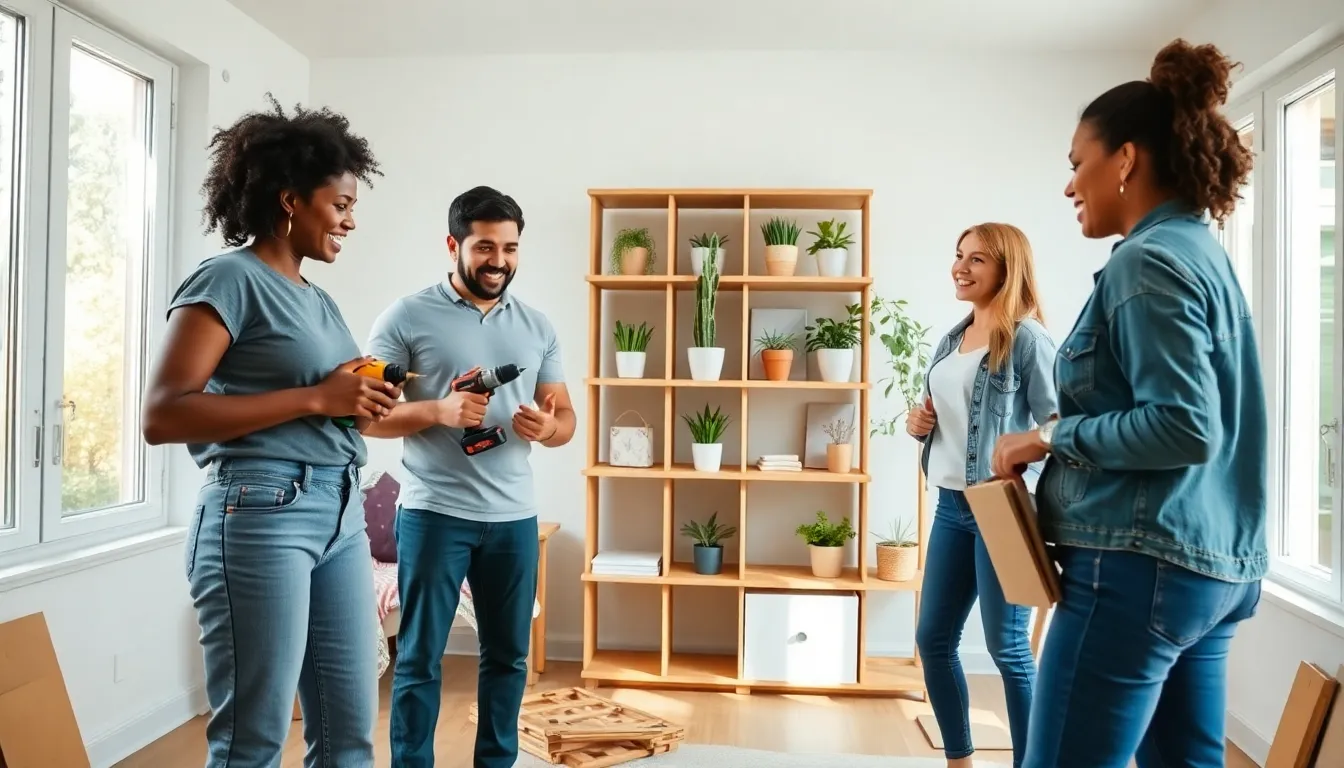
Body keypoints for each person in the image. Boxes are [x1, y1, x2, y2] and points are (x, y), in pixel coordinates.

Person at [990, 39, 1264, 768]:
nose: (1070, 185)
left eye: (1077, 163)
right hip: (1210, 569)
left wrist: (1046, 437)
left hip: (1138, 567)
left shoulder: (1147, 262)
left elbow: (1183, 424)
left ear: (1126, 160)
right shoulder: (1201, 254)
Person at [141, 94, 396, 767]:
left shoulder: (320, 299)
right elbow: (163, 413)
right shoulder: (229, 278)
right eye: (340, 204)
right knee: (253, 743)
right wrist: (317, 395)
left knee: (348, 739)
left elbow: (313, 400)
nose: (350, 220)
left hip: (339, 513)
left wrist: (354, 398)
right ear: (290, 199)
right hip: (260, 513)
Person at [363, 185, 575, 768]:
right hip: (434, 514)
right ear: (453, 244)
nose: (499, 261)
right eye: (485, 247)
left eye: (509, 248)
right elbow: (364, 418)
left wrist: (546, 427)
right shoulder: (405, 318)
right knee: (420, 657)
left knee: (507, 657)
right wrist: (437, 410)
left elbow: (567, 420)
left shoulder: (537, 327)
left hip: (513, 520)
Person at [906, 222, 1057, 768]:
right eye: (958, 256)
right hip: (951, 508)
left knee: (1008, 650)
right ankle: (959, 760)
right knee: (934, 639)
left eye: (976, 260)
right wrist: (918, 422)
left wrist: (1023, 476)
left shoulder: (1028, 339)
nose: (960, 268)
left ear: (1006, 268)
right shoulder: (953, 337)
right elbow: (948, 419)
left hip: (1001, 512)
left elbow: (1062, 424)